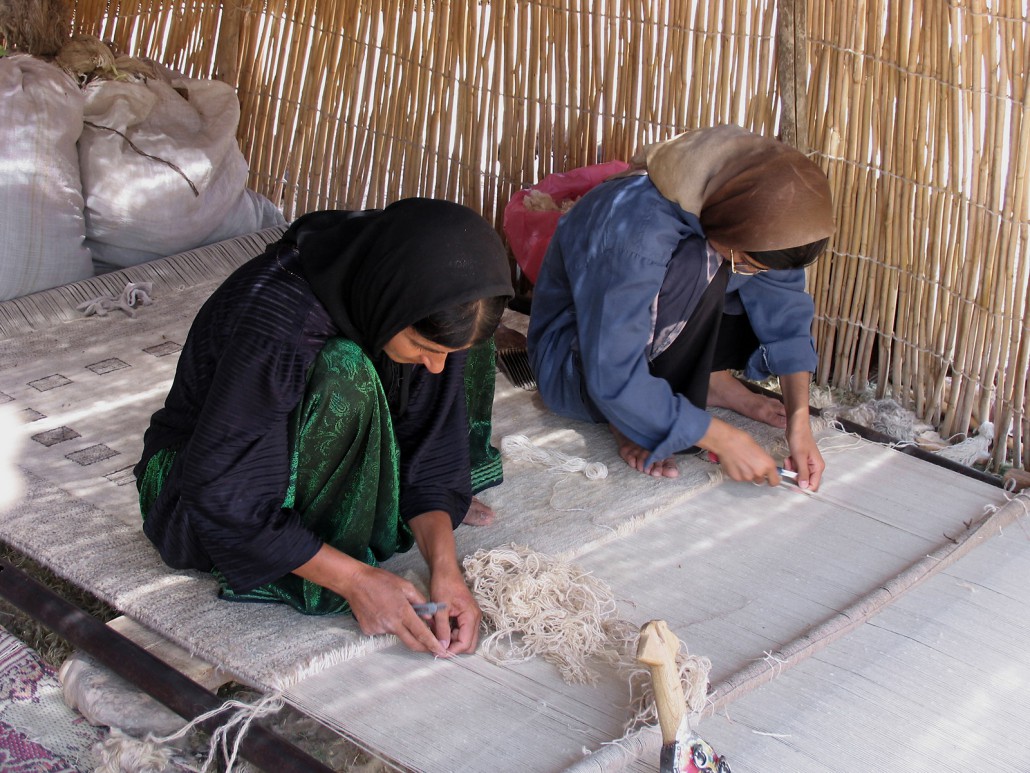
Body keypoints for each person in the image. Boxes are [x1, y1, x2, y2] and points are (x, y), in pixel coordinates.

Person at [135, 198, 514, 658]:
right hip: (203, 495)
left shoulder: (402, 289)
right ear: (391, 300)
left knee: (464, 339)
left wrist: (444, 567)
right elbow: (223, 494)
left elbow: (431, 442)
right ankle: (325, 550)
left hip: (278, 457)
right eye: (419, 344)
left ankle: (380, 502)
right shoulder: (279, 319)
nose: (435, 368)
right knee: (344, 373)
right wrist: (356, 581)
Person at [527, 125, 833, 490]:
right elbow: (611, 370)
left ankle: (706, 383)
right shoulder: (637, 229)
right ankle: (627, 415)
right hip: (577, 365)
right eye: (749, 263)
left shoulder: (738, 198)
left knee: (758, 281)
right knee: (698, 259)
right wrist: (721, 438)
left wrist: (799, 420)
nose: (752, 271)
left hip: (659, 335)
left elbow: (786, 315)